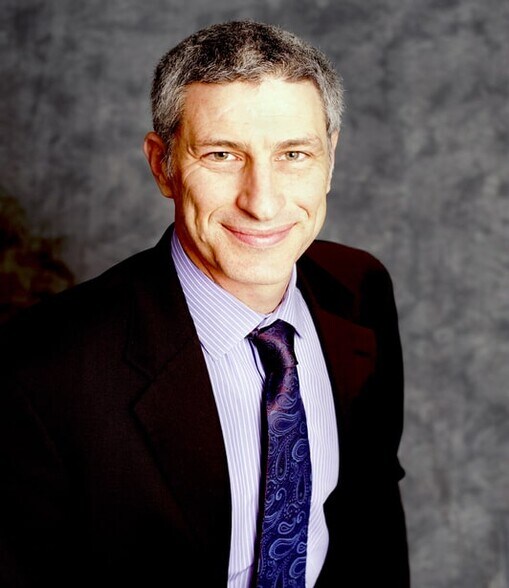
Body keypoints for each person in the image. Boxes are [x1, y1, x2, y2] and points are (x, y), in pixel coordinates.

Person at [0, 21, 410, 587]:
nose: (262, 202)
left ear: (330, 160)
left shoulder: (360, 289)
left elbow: (370, 507)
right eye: (221, 154)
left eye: (294, 153)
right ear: (162, 165)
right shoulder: (37, 373)